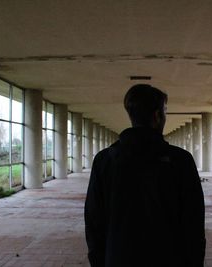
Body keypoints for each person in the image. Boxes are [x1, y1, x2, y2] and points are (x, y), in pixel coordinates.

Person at [85, 84, 205, 267]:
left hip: (118, 258)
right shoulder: (180, 161)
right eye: (165, 111)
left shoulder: (104, 161)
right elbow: (193, 223)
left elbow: (94, 221)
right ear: (157, 115)